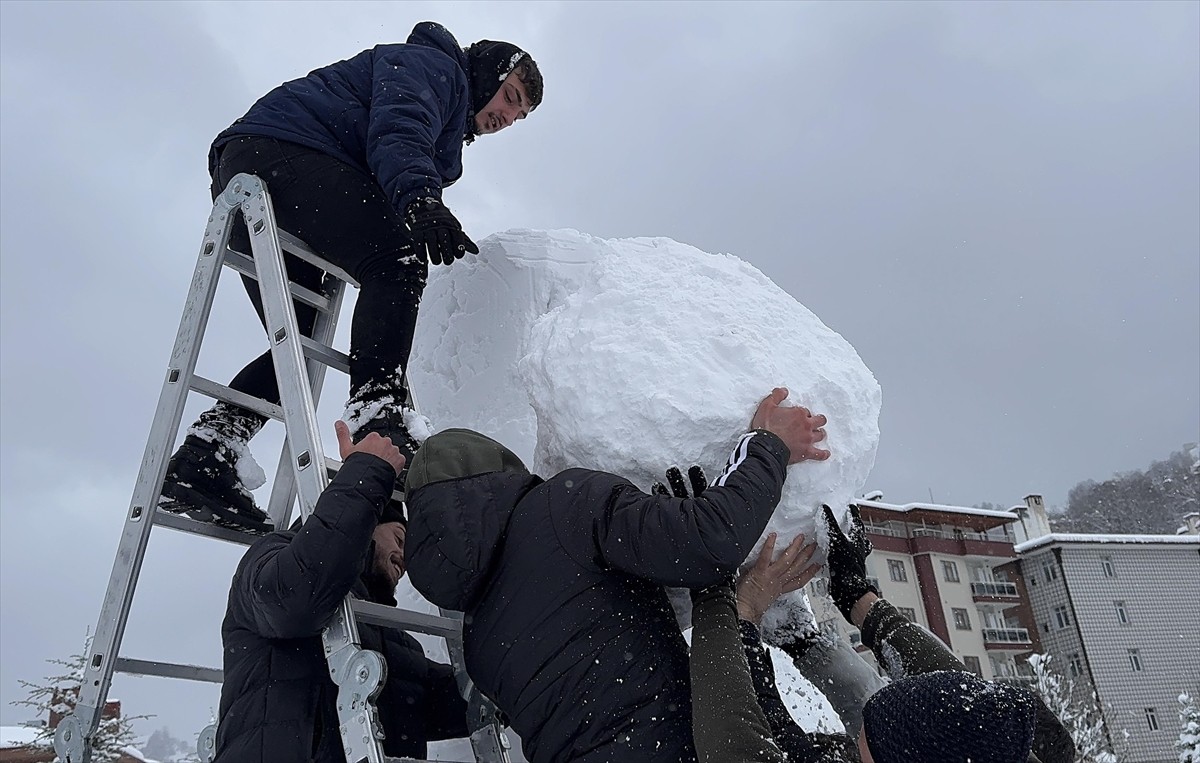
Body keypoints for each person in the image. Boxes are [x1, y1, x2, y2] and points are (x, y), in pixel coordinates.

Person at [159, 21, 544, 531]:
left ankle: (206, 453)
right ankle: (376, 414)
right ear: (488, 73)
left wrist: (417, 202)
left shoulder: (448, 127)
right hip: (283, 151)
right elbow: (398, 128)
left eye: (517, 117)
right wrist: (421, 202)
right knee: (399, 260)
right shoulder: (436, 69)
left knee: (296, 346)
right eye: (509, 96)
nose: (505, 117)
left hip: (265, 168)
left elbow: (396, 154)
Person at [402, 387, 831, 762]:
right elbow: (712, 541)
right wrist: (769, 446)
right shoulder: (561, 507)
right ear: (498, 466)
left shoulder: (478, 648)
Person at [688, 503, 1078, 763]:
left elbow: (737, 743)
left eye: (866, 740)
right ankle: (800, 638)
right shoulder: (1027, 746)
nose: (856, 734)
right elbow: (955, 696)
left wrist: (726, 605)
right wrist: (859, 598)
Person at [211, 420, 470, 762]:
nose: (404, 560)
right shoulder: (269, 557)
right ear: (369, 524)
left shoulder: (392, 640)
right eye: (400, 540)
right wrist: (368, 474)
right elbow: (298, 597)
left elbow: (446, 703)